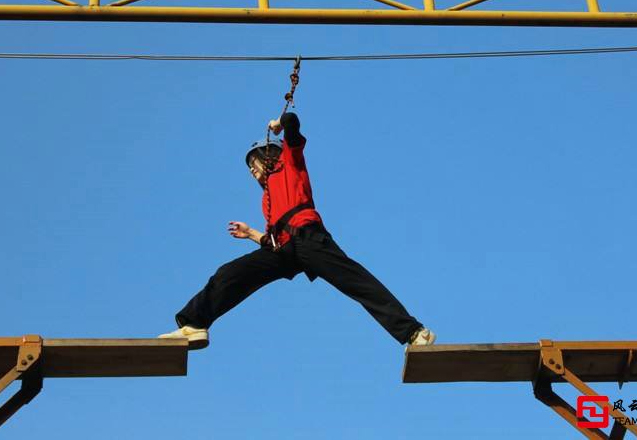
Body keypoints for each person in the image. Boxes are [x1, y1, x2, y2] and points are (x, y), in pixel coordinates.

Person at [159, 111, 435, 350]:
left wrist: (280, 123)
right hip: (287, 250)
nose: (252, 172)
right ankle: (194, 324)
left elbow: (292, 122)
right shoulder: (266, 199)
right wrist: (253, 234)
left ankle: (413, 333)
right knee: (229, 274)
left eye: (253, 164)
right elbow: (275, 242)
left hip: (311, 239)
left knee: (357, 282)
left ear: (267, 155)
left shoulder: (290, 163)